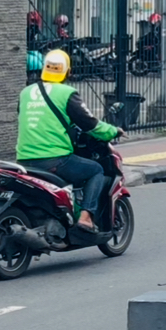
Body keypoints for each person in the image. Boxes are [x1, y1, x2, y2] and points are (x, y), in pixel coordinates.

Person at [15, 50, 123, 232]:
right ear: (68, 71)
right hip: (54, 159)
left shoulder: (26, 92)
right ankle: (86, 217)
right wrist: (113, 131)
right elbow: (90, 124)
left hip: (24, 159)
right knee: (95, 170)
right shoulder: (67, 93)